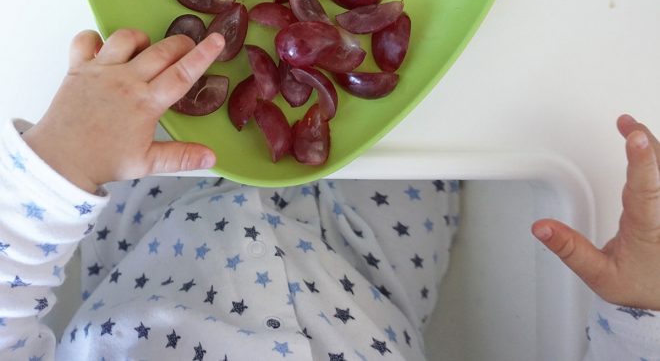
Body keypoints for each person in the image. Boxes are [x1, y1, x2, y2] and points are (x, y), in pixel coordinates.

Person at [0, 29, 658, 360]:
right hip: (378, 256)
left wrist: (62, 162)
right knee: (431, 71)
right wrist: (641, 309)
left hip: (149, 220)